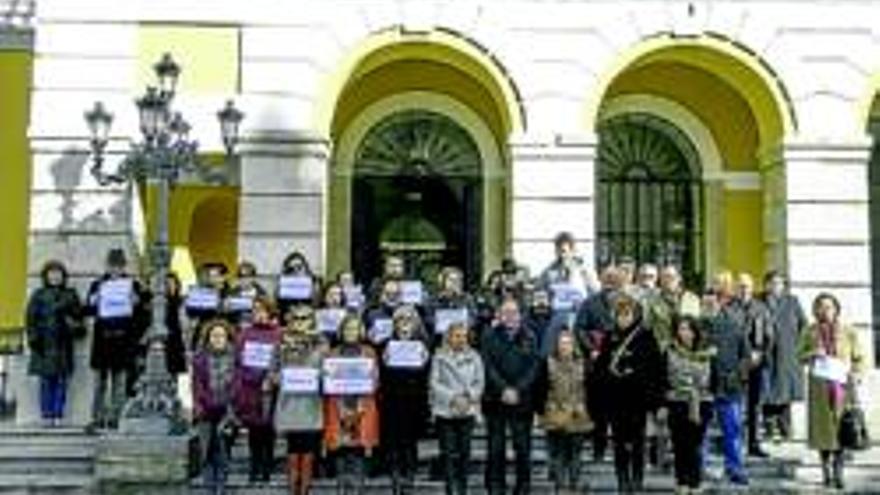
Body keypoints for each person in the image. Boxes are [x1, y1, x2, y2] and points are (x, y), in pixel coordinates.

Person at [594, 294, 665, 494]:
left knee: (638, 443)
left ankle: (637, 480)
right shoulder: (610, 337)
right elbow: (600, 371)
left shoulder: (646, 337)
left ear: (635, 315)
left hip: (638, 401)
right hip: (616, 401)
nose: (623, 318)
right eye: (620, 314)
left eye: (627, 314)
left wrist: (657, 402)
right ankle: (622, 480)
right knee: (618, 444)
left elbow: (657, 371)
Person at [798, 293, 866, 490]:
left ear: (836, 309)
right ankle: (826, 472)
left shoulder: (848, 331)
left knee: (842, 431)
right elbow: (799, 355)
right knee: (823, 433)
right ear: (815, 310)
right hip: (819, 388)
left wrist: (857, 373)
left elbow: (859, 357)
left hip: (842, 388)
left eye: (828, 307)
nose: (825, 311)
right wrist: (812, 353)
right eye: (820, 307)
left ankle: (839, 472)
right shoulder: (809, 331)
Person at [481, 297, 541, 495]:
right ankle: (495, 486)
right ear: (499, 314)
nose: (510, 316)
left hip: (522, 400)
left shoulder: (530, 336)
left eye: (514, 312)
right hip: (495, 399)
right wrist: (503, 389)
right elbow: (487, 366)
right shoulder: (489, 335)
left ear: (520, 315)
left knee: (522, 447)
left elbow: (533, 367)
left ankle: (523, 487)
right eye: (506, 312)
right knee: (495, 447)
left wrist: (517, 389)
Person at [85, 248, 148, 431]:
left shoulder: (133, 285)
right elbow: (88, 310)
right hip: (102, 340)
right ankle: (96, 418)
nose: (115, 270)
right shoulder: (97, 285)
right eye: (112, 266)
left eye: (118, 266)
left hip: (123, 340)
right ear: (106, 266)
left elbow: (144, 314)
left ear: (124, 267)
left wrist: (137, 303)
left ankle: (116, 418)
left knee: (120, 384)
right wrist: (92, 303)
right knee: (99, 384)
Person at [271, 305, 327, 495]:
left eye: (305, 318)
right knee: (293, 443)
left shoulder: (322, 343)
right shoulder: (281, 343)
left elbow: (328, 372)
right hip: (290, 401)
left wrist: (321, 378)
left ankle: (305, 487)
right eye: (296, 318)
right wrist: (276, 377)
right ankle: (293, 486)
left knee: (309, 443)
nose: (300, 322)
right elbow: (273, 371)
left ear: (312, 320)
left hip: (311, 401)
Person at [324, 315, 380, 495]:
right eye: (348, 328)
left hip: (362, 406)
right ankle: (341, 488)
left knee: (358, 450)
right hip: (338, 406)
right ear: (341, 331)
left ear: (361, 331)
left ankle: (357, 489)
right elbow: (327, 382)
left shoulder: (369, 352)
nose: (351, 332)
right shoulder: (333, 353)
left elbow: (375, 380)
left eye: (355, 329)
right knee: (340, 450)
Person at [380, 305, 431, 495]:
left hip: (414, 401)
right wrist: (383, 361)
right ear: (395, 324)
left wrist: (425, 362)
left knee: (410, 441)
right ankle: (395, 475)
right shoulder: (386, 344)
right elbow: (380, 376)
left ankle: (409, 475)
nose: (404, 324)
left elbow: (427, 377)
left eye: (408, 320)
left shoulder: (423, 344)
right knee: (393, 441)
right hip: (392, 401)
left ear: (415, 323)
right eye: (400, 320)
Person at [26, 260, 84, 426]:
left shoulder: (70, 294)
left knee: (61, 380)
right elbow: (30, 318)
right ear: (46, 276)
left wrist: (73, 323)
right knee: (45, 381)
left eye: (58, 273)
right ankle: (46, 415)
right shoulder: (38, 294)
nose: (55, 277)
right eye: (51, 273)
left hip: (63, 343)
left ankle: (58, 414)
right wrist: (33, 338)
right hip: (44, 343)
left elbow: (79, 317)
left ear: (63, 276)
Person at [430, 321, 484, 495]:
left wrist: (468, 396)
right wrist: (453, 397)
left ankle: (463, 488)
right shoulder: (439, 356)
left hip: (467, 409)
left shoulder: (475, 356)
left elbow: (479, 382)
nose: (461, 339)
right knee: (447, 453)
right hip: (445, 411)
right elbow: (434, 382)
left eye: (463, 336)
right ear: (449, 337)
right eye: (457, 336)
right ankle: (451, 488)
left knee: (464, 452)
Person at [574, 264, 622, 461]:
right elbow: (579, 328)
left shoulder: (629, 303)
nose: (610, 281)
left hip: (621, 367)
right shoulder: (589, 303)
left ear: (620, 280)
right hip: (596, 365)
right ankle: (599, 449)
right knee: (598, 410)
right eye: (607, 277)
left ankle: (621, 450)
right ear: (601, 279)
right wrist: (591, 349)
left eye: (614, 277)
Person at [702, 289, 750, 486]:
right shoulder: (693, 327)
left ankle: (735, 468)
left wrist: (739, 375)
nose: (709, 306)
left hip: (729, 387)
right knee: (700, 432)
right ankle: (699, 468)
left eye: (712, 303)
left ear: (720, 303)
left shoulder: (734, 326)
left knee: (732, 431)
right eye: (705, 304)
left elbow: (745, 356)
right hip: (702, 388)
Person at [232, 296, 282, 483]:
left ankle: (267, 469)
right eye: (255, 310)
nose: (258, 314)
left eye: (262, 310)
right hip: (250, 388)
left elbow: (281, 361)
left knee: (269, 430)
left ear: (270, 312)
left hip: (270, 388)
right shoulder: (244, 334)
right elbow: (237, 360)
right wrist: (245, 379)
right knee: (254, 430)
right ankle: (254, 469)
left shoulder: (279, 333)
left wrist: (273, 379)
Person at [666, 315, 714, 495]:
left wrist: (698, 388)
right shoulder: (670, 351)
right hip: (677, 401)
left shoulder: (706, 352)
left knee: (695, 445)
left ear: (695, 332)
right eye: (681, 329)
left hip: (701, 403)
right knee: (680, 445)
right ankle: (681, 482)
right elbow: (666, 377)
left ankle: (695, 482)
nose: (684, 332)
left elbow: (711, 378)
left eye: (687, 329)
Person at [727, 273, 773, 458]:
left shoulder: (761, 308)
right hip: (736, 364)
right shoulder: (729, 308)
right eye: (740, 286)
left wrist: (760, 353)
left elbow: (769, 335)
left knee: (755, 405)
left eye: (746, 286)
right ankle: (735, 443)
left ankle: (754, 443)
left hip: (757, 363)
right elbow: (727, 336)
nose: (743, 289)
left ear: (752, 288)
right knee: (735, 404)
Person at [541, 329, 592, 493]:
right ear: (557, 345)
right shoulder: (548, 362)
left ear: (573, 345)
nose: (565, 346)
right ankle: (560, 487)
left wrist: (583, 406)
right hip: (555, 412)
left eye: (568, 343)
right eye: (562, 343)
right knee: (558, 454)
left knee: (575, 454)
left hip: (578, 413)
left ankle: (574, 486)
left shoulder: (582, 363)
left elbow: (588, 389)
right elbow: (542, 390)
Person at [760, 271, 807, 441]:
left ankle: (785, 428)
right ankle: (769, 427)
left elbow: (804, 325)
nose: (775, 286)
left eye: (779, 283)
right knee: (767, 390)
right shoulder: (760, 301)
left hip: (787, 352)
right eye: (772, 283)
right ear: (766, 284)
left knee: (785, 391)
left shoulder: (792, 301)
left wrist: (800, 348)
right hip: (767, 352)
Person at [192, 319, 237, 495]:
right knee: (206, 452)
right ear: (208, 337)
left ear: (227, 338)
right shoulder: (200, 358)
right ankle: (209, 488)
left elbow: (236, 385)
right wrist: (201, 404)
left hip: (227, 411)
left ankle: (221, 487)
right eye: (214, 335)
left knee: (223, 452)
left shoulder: (235, 358)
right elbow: (197, 385)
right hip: (205, 411)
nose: (218, 339)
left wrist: (231, 408)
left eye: (221, 335)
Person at [539, 232, 600, 298]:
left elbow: (596, 292)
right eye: (557, 251)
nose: (561, 255)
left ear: (572, 251)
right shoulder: (548, 272)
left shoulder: (585, 270)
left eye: (563, 251)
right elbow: (540, 291)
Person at [186, 262, 230, 349]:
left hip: (224, 333)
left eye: (216, 275)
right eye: (210, 275)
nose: (213, 278)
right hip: (204, 331)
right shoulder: (201, 292)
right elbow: (191, 312)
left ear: (224, 277)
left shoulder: (231, 293)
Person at [277, 252, 319, 316]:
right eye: (291, 269)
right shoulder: (283, 283)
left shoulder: (313, 281)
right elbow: (279, 303)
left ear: (305, 267)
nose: (295, 270)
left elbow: (317, 304)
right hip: (288, 316)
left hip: (307, 316)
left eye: (299, 267)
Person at [225, 261, 267, 326]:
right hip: (237, 325)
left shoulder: (261, 292)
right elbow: (227, 313)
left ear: (254, 278)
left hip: (256, 326)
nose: (245, 280)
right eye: (241, 277)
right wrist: (227, 307)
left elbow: (267, 311)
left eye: (248, 276)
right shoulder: (232, 292)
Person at [164, 273, 187, 376]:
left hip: (178, 338)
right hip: (165, 338)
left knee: (177, 371)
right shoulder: (161, 301)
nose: (169, 286)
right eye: (167, 283)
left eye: (172, 283)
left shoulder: (182, 300)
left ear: (177, 285)